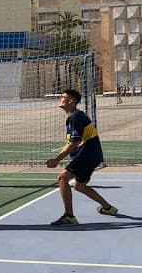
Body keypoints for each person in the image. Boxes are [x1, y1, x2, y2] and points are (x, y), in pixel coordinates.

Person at [45, 89, 117, 225]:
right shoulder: (74, 116)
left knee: (62, 178)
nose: (60, 99)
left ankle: (69, 216)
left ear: (71, 101)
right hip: (91, 156)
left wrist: (57, 159)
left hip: (87, 156)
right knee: (80, 186)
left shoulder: (76, 117)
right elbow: (71, 142)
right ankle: (108, 208)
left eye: (63, 97)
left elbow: (74, 142)